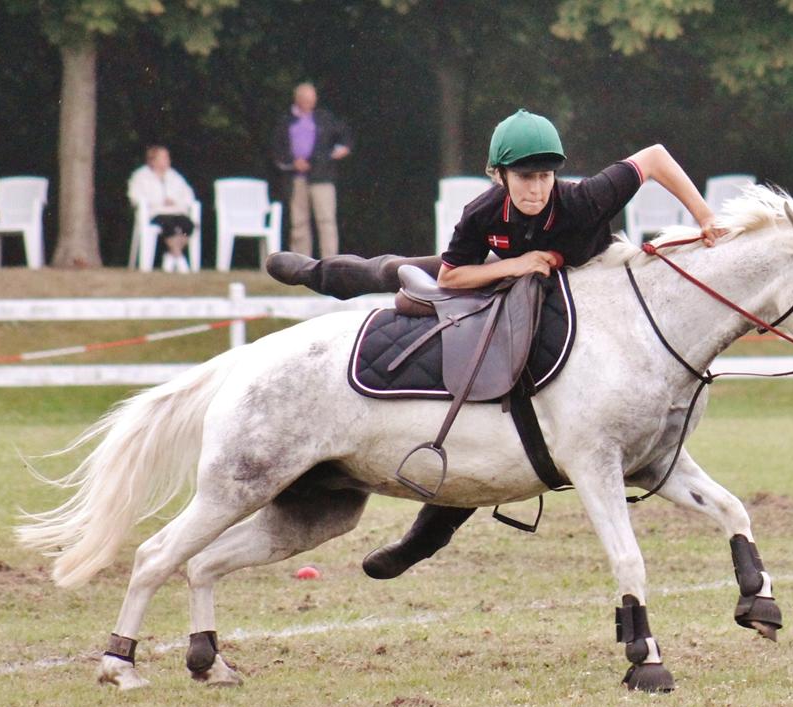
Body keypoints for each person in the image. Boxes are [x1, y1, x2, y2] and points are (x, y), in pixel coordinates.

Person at [267, 108, 727, 579]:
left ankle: (422, 541)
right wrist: (517, 264)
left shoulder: (587, 198)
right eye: (525, 177)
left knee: (501, 407)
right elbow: (451, 276)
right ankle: (314, 272)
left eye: (545, 176)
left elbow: (654, 157)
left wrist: (706, 216)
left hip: (585, 301)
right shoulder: (483, 211)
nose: (536, 188)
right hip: (508, 281)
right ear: (500, 176)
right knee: (398, 271)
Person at [271, 82, 352, 258]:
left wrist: (343, 149)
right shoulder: (286, 121)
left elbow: (344, 136)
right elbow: (277, 148)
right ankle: (300, 261)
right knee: (299, 221)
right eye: (306, 100)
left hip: (322, 176)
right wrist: (293, 162)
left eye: (312, 99)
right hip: (296, 177)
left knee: (326, 220)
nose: (310, 103)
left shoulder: (324, 118)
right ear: (298, 100)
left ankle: (330, 260)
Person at [127, 145, 196, 273]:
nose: (168, 160)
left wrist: (176, 202)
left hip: (176, 211)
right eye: (164, 157)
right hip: (155, 213)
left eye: (167, 157)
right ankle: (179, 259)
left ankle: (172, 255)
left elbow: (188, 194)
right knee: (168, 226)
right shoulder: (140, 176)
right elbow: (135, 197)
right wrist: (158, 202)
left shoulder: (175, 176)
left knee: (188, 226)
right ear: (153, 160)